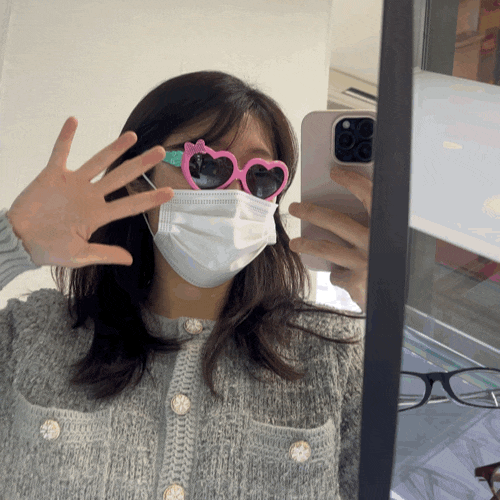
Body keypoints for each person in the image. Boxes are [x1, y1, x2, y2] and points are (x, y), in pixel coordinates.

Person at [0, 71, 371, 500]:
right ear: (139, 177)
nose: (237, 193)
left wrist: (398, 301)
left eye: (260, 177)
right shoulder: (29, 335)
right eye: (207, 165)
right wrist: (12, 241)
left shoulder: (335, 356)